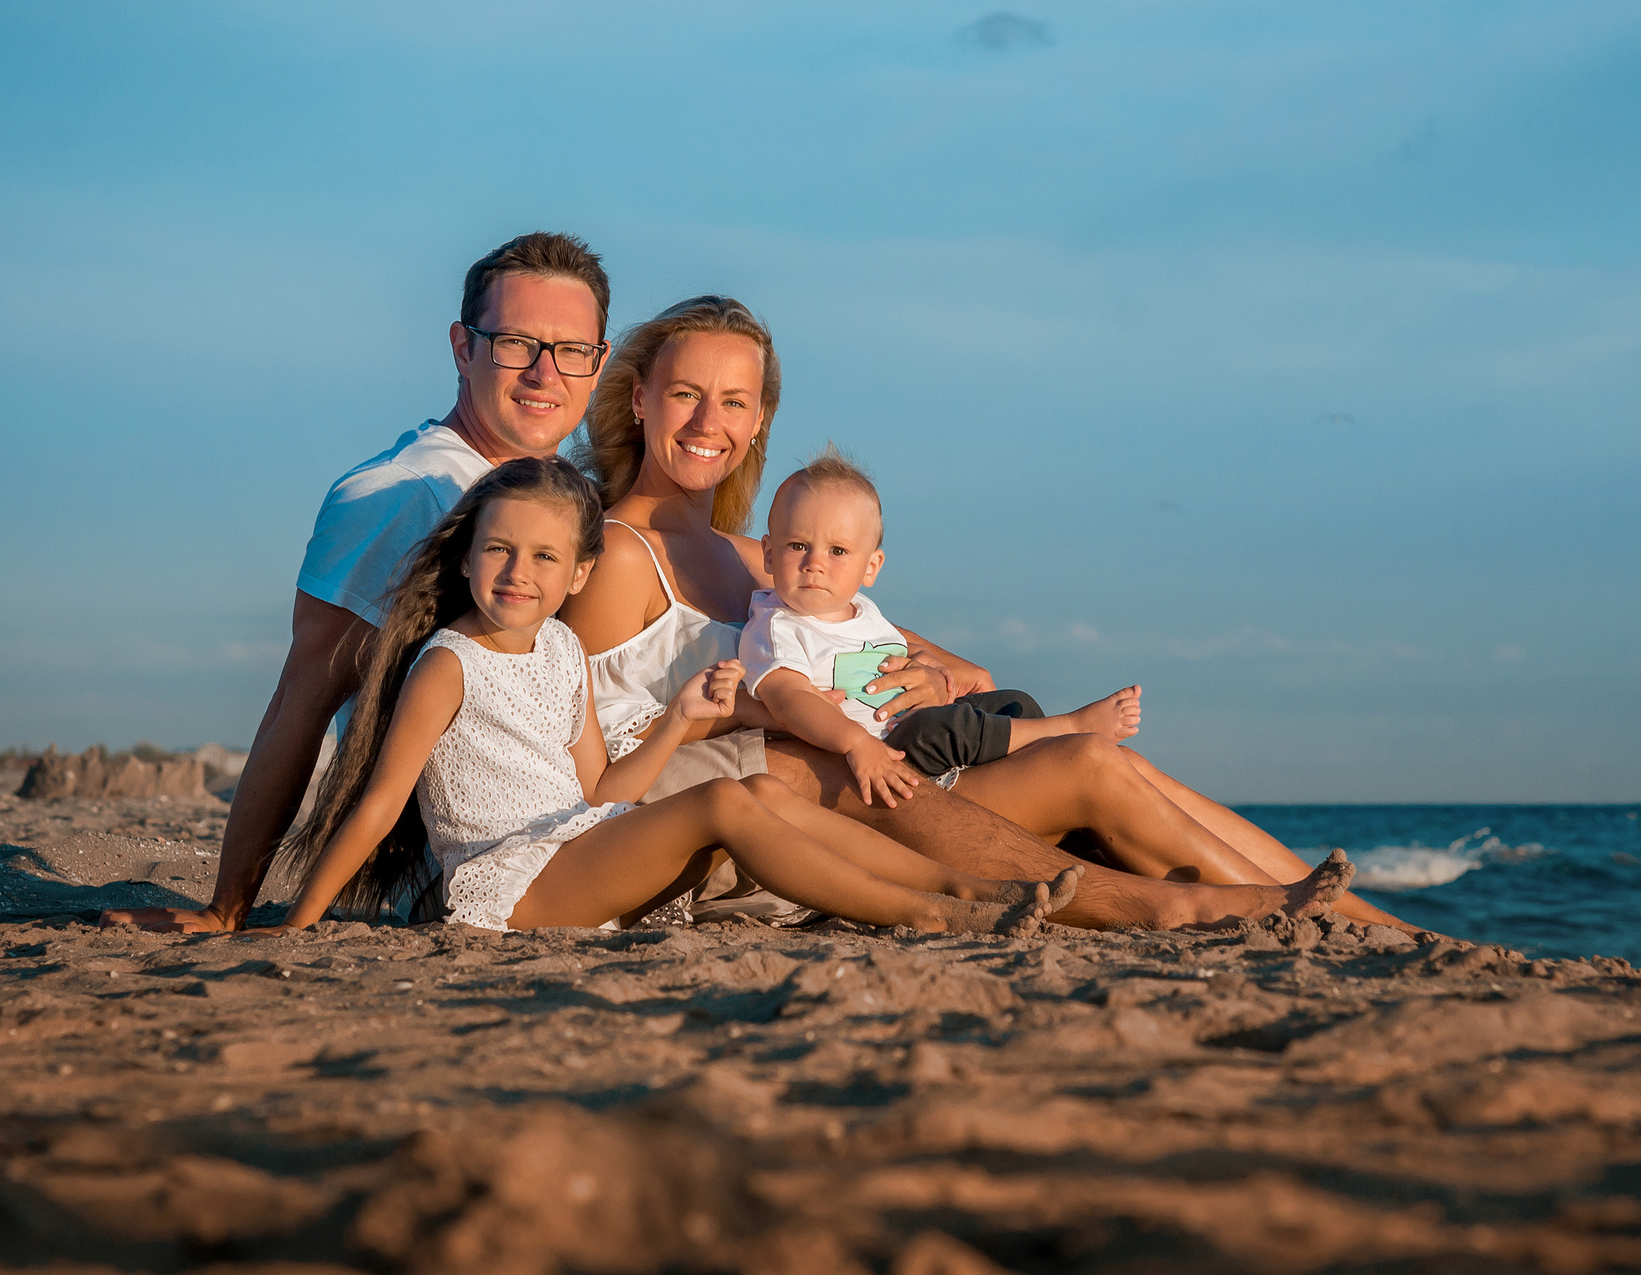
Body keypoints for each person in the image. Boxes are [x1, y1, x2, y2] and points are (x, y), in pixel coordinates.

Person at [562, 294, 1397, 932]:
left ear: (758, 423)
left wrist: (923, 678)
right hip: (762, 815)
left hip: (860, 778)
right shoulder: (617, 554)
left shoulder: (757, 557)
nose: (711, 423)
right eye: (685, 394)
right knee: (1077, 772)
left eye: (736, 402)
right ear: (639, 399)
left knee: (1094, 761)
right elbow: (580, 750)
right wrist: (778, 709)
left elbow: (964, 673)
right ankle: (1196, 907)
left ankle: (1360, 919)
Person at [275, 455, 1068, 936]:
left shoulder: (560, 648)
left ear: (579, 574)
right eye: (500, 551)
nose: (521, 573)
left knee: (756, 789)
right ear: (469, 559)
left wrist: (678, 720)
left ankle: (970, 886)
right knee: (724, 802)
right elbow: (380, 802)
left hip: (577, 840)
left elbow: (599, 790)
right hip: (508, 883)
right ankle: (934, 911)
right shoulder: (450, 662)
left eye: (545, 557)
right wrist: (301, 923)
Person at [109, 231, 620, 933]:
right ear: (462, 347)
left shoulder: (566, 501)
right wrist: (228, 906)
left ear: (599, 364)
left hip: (579, 818)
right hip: (481, 864)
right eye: (514, 343)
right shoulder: (396, 496)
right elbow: (302, 696)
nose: (543, 373)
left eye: (569, 351)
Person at [742, 448, 1140, 797]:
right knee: (945, 728)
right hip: (891, 746)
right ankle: (1068, 728)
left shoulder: (864, 611)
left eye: (838, 551)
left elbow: (901, 653)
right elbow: (788, 698)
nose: (815, 563)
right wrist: (855, 744)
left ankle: (1044, 763)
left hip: (918, 722)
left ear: (871, 567)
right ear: (770, 554)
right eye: (797, 546)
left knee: (1013, 703)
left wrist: (931, 668)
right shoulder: (777, 627)